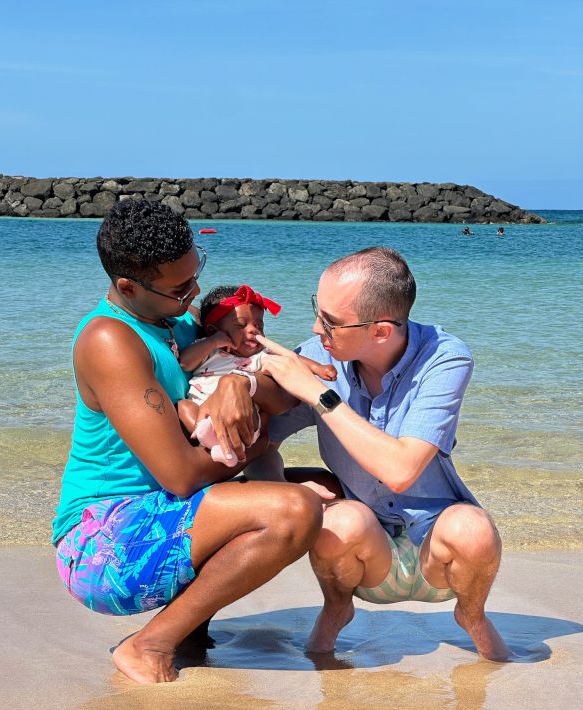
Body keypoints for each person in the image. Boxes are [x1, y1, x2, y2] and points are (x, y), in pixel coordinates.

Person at [52, 199, 329, 685]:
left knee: (328, 487)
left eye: (196, 274)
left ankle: (190, 627)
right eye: (180, 288)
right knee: (295, 509)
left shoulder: (178, 323)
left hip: (163, 508)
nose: (195, 292)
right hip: (101, 542)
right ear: (128, 286)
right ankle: (149, 645)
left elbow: (279, 396)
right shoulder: (110, 340)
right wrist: (258, 445)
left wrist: (236, 385)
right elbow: (180, 474)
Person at [248, 246, 512, 662]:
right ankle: (336, 610)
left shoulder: (445, 358)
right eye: (317, 310)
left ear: (381, 332)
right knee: (341, 518)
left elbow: (401, 470)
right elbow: (260, 443)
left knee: (473, 528)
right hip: (362, 550)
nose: (316, 329)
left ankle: (472, 616)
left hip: (437, 554)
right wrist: (282, 485)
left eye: (331, 323)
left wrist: (319, 395)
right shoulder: (317, 356)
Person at [177, 283, 336, 465]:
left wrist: (319, 368)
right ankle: (207, 438)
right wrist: (214, 341)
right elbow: (185, 362)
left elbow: (290, 359)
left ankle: (223, 447)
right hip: (202, 413)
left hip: (240, 420)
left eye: (259, 326)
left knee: (251, 413)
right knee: (183, 406)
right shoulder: (208, 350)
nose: (254, 330)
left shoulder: (259, 357)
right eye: (241, 325)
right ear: (214, 330)